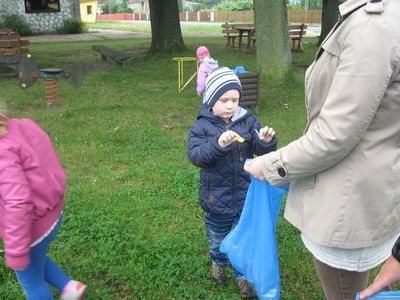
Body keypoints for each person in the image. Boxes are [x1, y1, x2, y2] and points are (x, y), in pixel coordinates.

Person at [243, 0, 400, 299]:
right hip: (367, 193)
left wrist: (268, 165)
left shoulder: (372, 25)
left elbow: (334, 135)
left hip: (347, 203)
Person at [187, 67, 277, 298]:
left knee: (242, 237)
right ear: (211, 100)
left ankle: (242, 275)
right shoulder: (202, 127)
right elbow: (196, 156)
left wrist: (266, 141)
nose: (230, 105)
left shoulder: (247, 121)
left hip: (244, 196)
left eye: (234, 100)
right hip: (216, 198)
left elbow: (259, 148)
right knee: (217, 238)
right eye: (224, 100)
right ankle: (218, 261)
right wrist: (218, 144)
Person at [0, 109, 87, 300]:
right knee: (35, 260)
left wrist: (15, 250)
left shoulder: (2, 152)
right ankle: (71, 289)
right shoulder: (19, 125)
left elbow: (17, 201)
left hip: (30, 228)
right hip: (52, 212)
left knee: (32, 281)